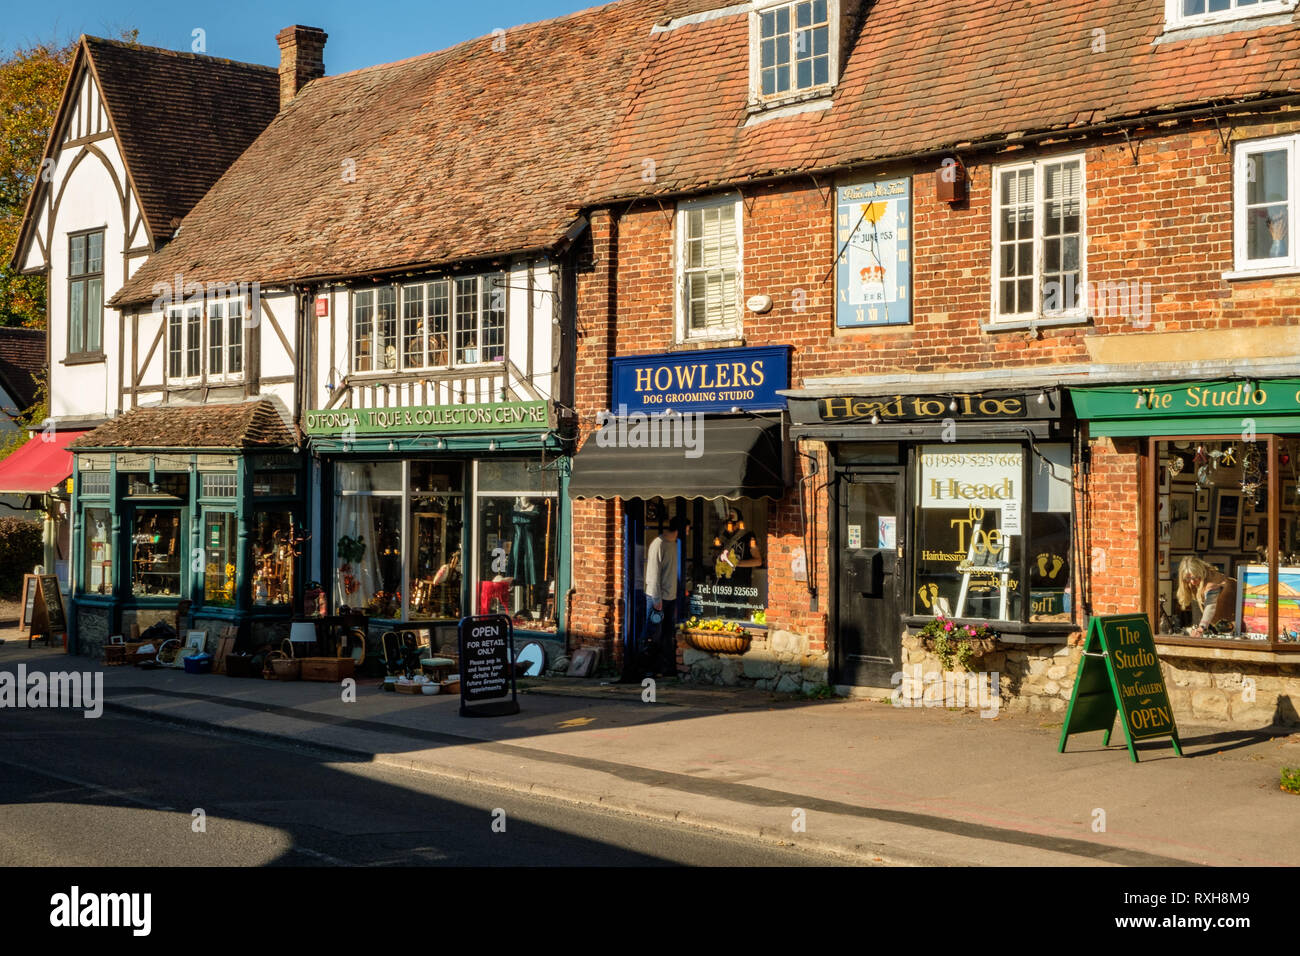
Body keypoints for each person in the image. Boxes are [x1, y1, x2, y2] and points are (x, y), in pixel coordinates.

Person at [643, 515, 690, 677]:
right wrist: (657, 600)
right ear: (680, 529)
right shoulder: (659, 544)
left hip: (671, 598)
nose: (688, 534)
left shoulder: (676, 545)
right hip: (657, 598)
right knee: (653, 635)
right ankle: (648, 669)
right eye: (687, 530)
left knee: (667, 636)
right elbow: (653, 574)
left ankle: (665, 669)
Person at [1176, 555, 1237, 638]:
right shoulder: (1197, 582)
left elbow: (1210, 606)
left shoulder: (1212, 582)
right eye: (1188, 579)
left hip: (1231, 623)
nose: (1192, 582)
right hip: (1218, 623)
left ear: (1200, 572)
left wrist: (1201, 628)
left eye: (1195, 577)